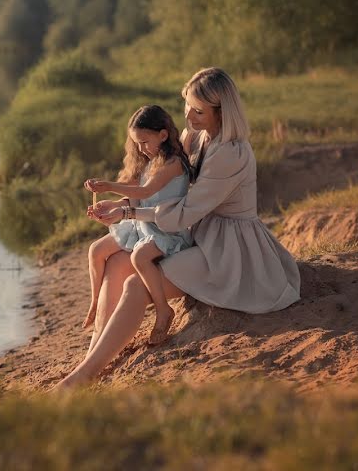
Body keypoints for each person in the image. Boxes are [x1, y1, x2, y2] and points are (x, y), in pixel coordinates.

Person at [56, 68, 300, 389]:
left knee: (135, 284)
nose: (188, 115)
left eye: (199, 110)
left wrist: (127, 211)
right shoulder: (192, 136)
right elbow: (164, 189)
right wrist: (122, 208)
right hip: (195, 233)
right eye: (186, 105)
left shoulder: (231, 153)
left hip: (227, 248)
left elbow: (183, 213)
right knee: (115, 262)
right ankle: (90, 359)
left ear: (222, 112)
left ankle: (84, 375)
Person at [82, 105, 193, 346]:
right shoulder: (149, 162)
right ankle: (93, 304)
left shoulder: (172, 163)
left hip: (167, 229)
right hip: (144, 225)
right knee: (96, 250)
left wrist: (108, 185)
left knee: (140, 257)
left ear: (163, 135)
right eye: (137, 143)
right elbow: (136, 198)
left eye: (144, 142)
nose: (141, 148)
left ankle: (163, 310)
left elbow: (146, 191)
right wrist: (109, 205)